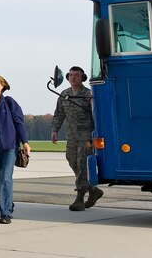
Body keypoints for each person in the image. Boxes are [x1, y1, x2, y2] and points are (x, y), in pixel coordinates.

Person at [0, 74, 30, 224]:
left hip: (10, 147)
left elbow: (19, 123)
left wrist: (25, 142)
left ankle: (5, 213)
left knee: (5, 178)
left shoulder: (9, 103)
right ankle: (8, 202)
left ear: (2, 86)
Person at [51, 66, 103, 211]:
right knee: (71, 159)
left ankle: (80, 197)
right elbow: (59, 114)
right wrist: (55, 130)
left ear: (82, 78)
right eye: (71, 75)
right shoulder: (64, 94)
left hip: (86, 135)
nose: (73, 77)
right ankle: (92, 190)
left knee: (82, 162)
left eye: (77, 75)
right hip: (71, 136)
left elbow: (97, 114)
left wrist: (93, 101)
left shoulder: (88, 94)